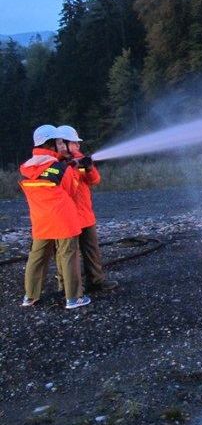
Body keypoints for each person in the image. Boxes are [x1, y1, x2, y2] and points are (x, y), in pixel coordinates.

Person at [19, 125, 90, 309]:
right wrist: (75, 169)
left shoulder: (26, 167)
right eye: (59, 142)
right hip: (64, 219)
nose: (63, 146)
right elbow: (71, 190)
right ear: (50, 144)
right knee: (68, 256)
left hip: (41, 220)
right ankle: (74, 298)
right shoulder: (61, 168)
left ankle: (30, 296)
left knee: (37, 257)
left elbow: (45, 177)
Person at [56, 125, 118, 292]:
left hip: (84, 213)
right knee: (67, 253)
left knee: (91, 249)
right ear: (63, 144)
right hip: (66, 215)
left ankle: (96, 280)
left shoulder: (80, 160)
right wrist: (69, 166)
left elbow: (93, 180)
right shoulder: (54, 164)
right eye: (75, 143)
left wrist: (88, 167)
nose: (78, 146)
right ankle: (67, 287)